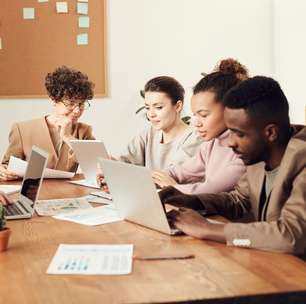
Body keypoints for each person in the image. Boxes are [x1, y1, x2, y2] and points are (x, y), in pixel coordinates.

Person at [159, 76, 306, 254]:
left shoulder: (301, 159)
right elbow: (239, 200)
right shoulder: (259, 154)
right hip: (274, 263)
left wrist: (208, 229)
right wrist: (194, 200)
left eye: (238, 133)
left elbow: (290, 237)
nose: (229, 142)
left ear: (270, 133)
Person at [152, 59, 247, 194]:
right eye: (195, 115)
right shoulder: (211, 144)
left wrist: (173, 188)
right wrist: (148, 179)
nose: (197, 123)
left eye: (203, 115)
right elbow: (180, 172)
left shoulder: (245, 149)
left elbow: (209, 189)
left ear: (230, 109)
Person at [0, 66, 95, 181]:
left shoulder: (84, 131)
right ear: (53, 100)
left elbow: (95, 166)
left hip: (69, 195)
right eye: (71, 103)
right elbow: (6, 165)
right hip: (34, 194)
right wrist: (3, 171)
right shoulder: (22, 129)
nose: (77, 110)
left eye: (81, 104)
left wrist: (67, 137)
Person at [116, 76, 203, 170]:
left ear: (178, 106)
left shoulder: (194, 138)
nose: (151, 114)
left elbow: (174, 176)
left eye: (159, 107)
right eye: (147, 108)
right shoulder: (148, 134)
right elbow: (122, 161)